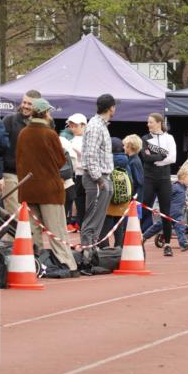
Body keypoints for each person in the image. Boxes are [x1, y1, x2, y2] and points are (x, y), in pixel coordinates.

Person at [16, 98, 79, 275]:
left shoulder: (23, 133)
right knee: (56, 230)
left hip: (28, 188)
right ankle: (67, 263)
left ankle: (33, 263)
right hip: (49, 189)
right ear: (44, 113)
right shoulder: (50, 134)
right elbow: (61, 160)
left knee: (32, 230)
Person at [81, 93, 116, 264]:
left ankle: (92, 251)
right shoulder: (95, 126)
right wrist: (99, 179)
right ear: (111, 107)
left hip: (102, 176)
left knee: (98, 218)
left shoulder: (99, 125)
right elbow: (90, 154)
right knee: (92, 218)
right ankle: (87, 254)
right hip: (97, 178)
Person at [141, 112, 177, 257]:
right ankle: (139, 238)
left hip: (164, 179)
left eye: (150, 122)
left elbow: (172, 158)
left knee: (166, 213)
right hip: (149, 177)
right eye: (148, 122)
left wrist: (157, 160)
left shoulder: (169, 138)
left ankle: (167, 244)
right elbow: (145, 157)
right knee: (145, 208)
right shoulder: (145, 138)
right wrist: (162, 156)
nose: (148, 124)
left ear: (159, 123)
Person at [2, 90, 41, 216]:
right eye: (24, 102)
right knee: (14, 215)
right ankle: (12, 236)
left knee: (30, 216)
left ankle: (26, 236)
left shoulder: (41, 124)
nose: (25, 106)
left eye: (30, 104)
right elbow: (0, 148)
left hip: (31, 176)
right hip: (11, 173)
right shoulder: (9, 120)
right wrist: (0, 175)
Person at [142, 166, 188, 250]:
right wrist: (157, 206)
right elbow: (163, 196)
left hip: (177, 214)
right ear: (184, 177)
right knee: (158, 226)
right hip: (169, 214)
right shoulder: (175, 187)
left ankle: (183, 244)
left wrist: (184, 202)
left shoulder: (183, 188)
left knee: (180, 228)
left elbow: (178, 198)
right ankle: (144, 237)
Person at [100, 138, 133, 247]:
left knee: (105, 227)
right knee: (119, 227)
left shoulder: (106, 161)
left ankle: (105, 250)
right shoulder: (126, 161)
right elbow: (131, 180)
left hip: (108, 199)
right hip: (123, 199)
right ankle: (119, 249)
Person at [64, 113, 88, 228]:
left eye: (75, 126)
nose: (73, 128)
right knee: (79, 204)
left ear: (83, 125)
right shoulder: (72, 140)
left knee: (87, 204)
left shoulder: (88, 140)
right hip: (76, 176)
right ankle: (81, 225)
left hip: (88, 176)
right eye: (71, 126)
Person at [123, 135, 144, 202]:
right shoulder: (132, 160)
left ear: (130, 146)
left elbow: (139, 182)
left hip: (135, 199)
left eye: (124, 145)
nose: (123, 147)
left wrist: (134, 198)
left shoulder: (134, 162)